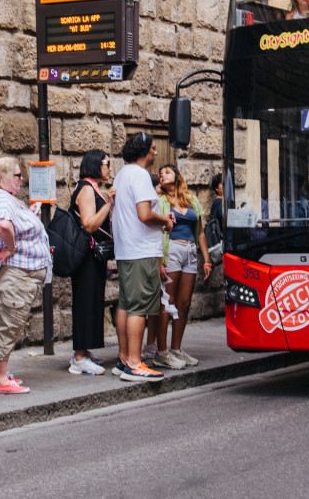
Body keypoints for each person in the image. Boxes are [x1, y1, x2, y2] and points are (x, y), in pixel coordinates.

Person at [0, 157, 50, 394]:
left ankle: (0, 373)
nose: (22, 180)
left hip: (18, 273)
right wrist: (10, 248)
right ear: (2, 177)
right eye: (17, 175)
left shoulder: (0, 196)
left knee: (9, 320)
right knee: (7, 322)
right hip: (15, 272)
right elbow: (1, 224)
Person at [110, 132, 173, 382]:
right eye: (153, 149)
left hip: (126, 249)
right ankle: (136, 363)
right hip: (142, 250)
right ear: (144, 151)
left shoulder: (123, 174)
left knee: (126, 304)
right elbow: (145, 214)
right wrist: (165, 220)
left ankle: (124, 358)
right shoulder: (141, 176)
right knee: (139, 308)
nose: (156, 153)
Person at [155, 165, 211, 370]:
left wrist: (206, 259)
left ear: (178, 177)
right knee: (167, 302)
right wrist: (160, 259)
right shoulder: (161, 202)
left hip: (190, 252)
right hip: (172, 250)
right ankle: (162, 352)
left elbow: (201, 232)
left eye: (167, 172)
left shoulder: (192, 200)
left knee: (184, 302)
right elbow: (157, 230)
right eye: (161, 174)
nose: (162, 175)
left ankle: (176, 349)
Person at [68, 150, 114, 376]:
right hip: (86, 256)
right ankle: (78, 357)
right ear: (95, 165)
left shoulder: (94, 188)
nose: (109, 169)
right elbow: (89, 224)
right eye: (106, 164)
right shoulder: (86, 189)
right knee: (85, 301)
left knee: (93, 300)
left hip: (95, 256)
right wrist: (109, 204)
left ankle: (83, 351)